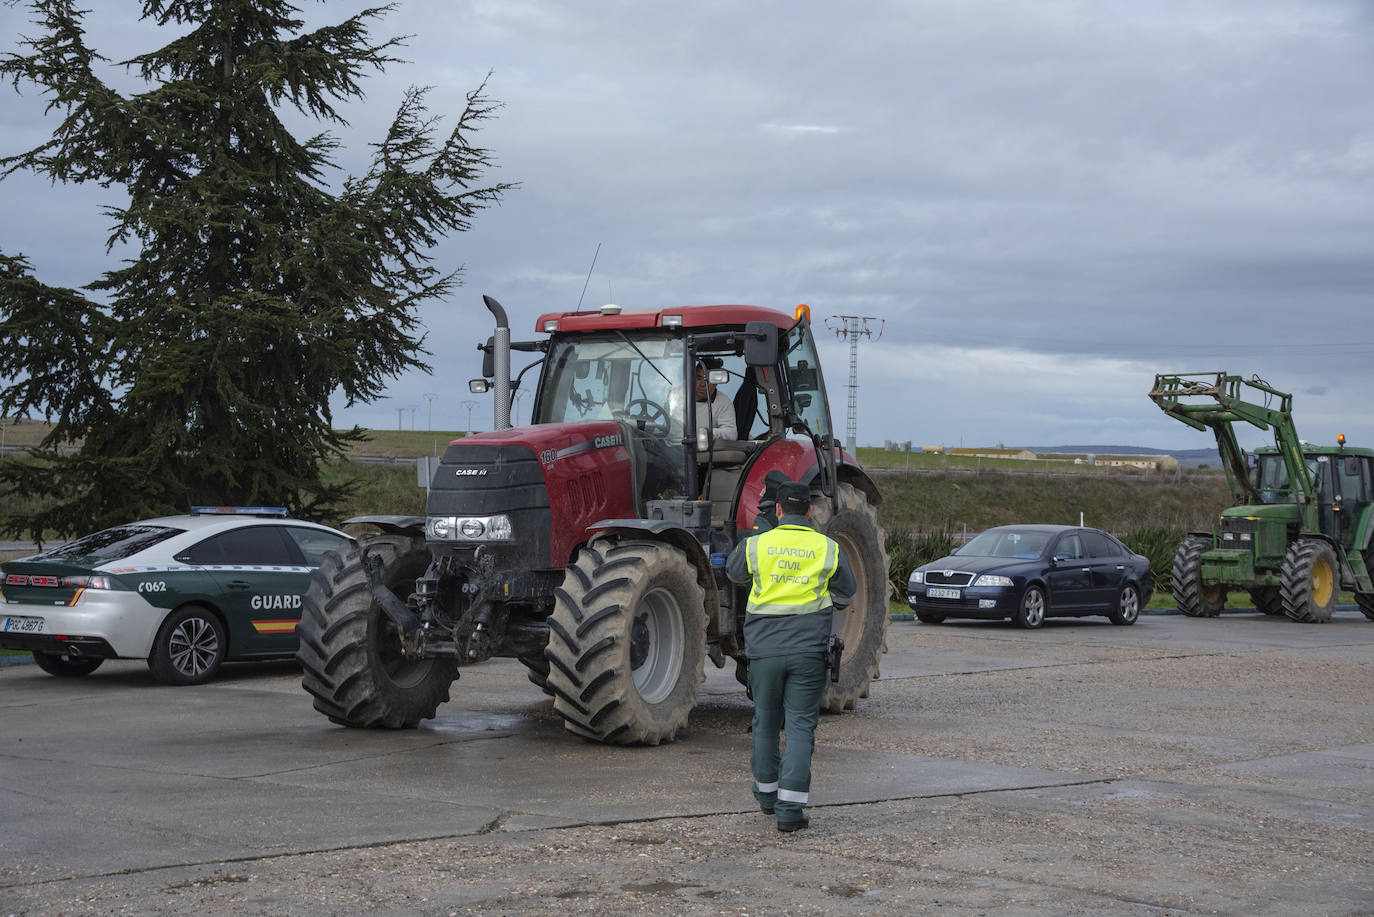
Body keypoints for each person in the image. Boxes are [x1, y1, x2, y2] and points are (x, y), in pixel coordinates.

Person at [726, 480, 855, 833]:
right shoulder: (826, 547)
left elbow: (734, 574)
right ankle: (790, 813)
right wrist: (822, 603)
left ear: (779, 510)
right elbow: (847, 591)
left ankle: (767, 797)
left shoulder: (757, 545)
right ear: (809, 511)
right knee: (800, 727)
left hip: (764, 651)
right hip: (808, 652)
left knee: (765, 721)